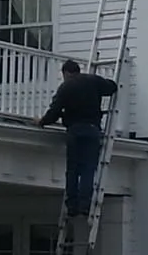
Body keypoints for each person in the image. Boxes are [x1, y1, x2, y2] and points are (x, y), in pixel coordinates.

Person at [38, 59, 118, 217]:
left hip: (75, 131)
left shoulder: (66, 87)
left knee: (73, 169)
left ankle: (72, 205)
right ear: (77, 70)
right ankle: (84, 204)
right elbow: (112, 87)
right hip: (92, 130)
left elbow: (53, 112)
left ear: (66, 73)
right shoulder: (92, 81)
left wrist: (41, 122)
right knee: (88, 169)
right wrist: (101, 83)